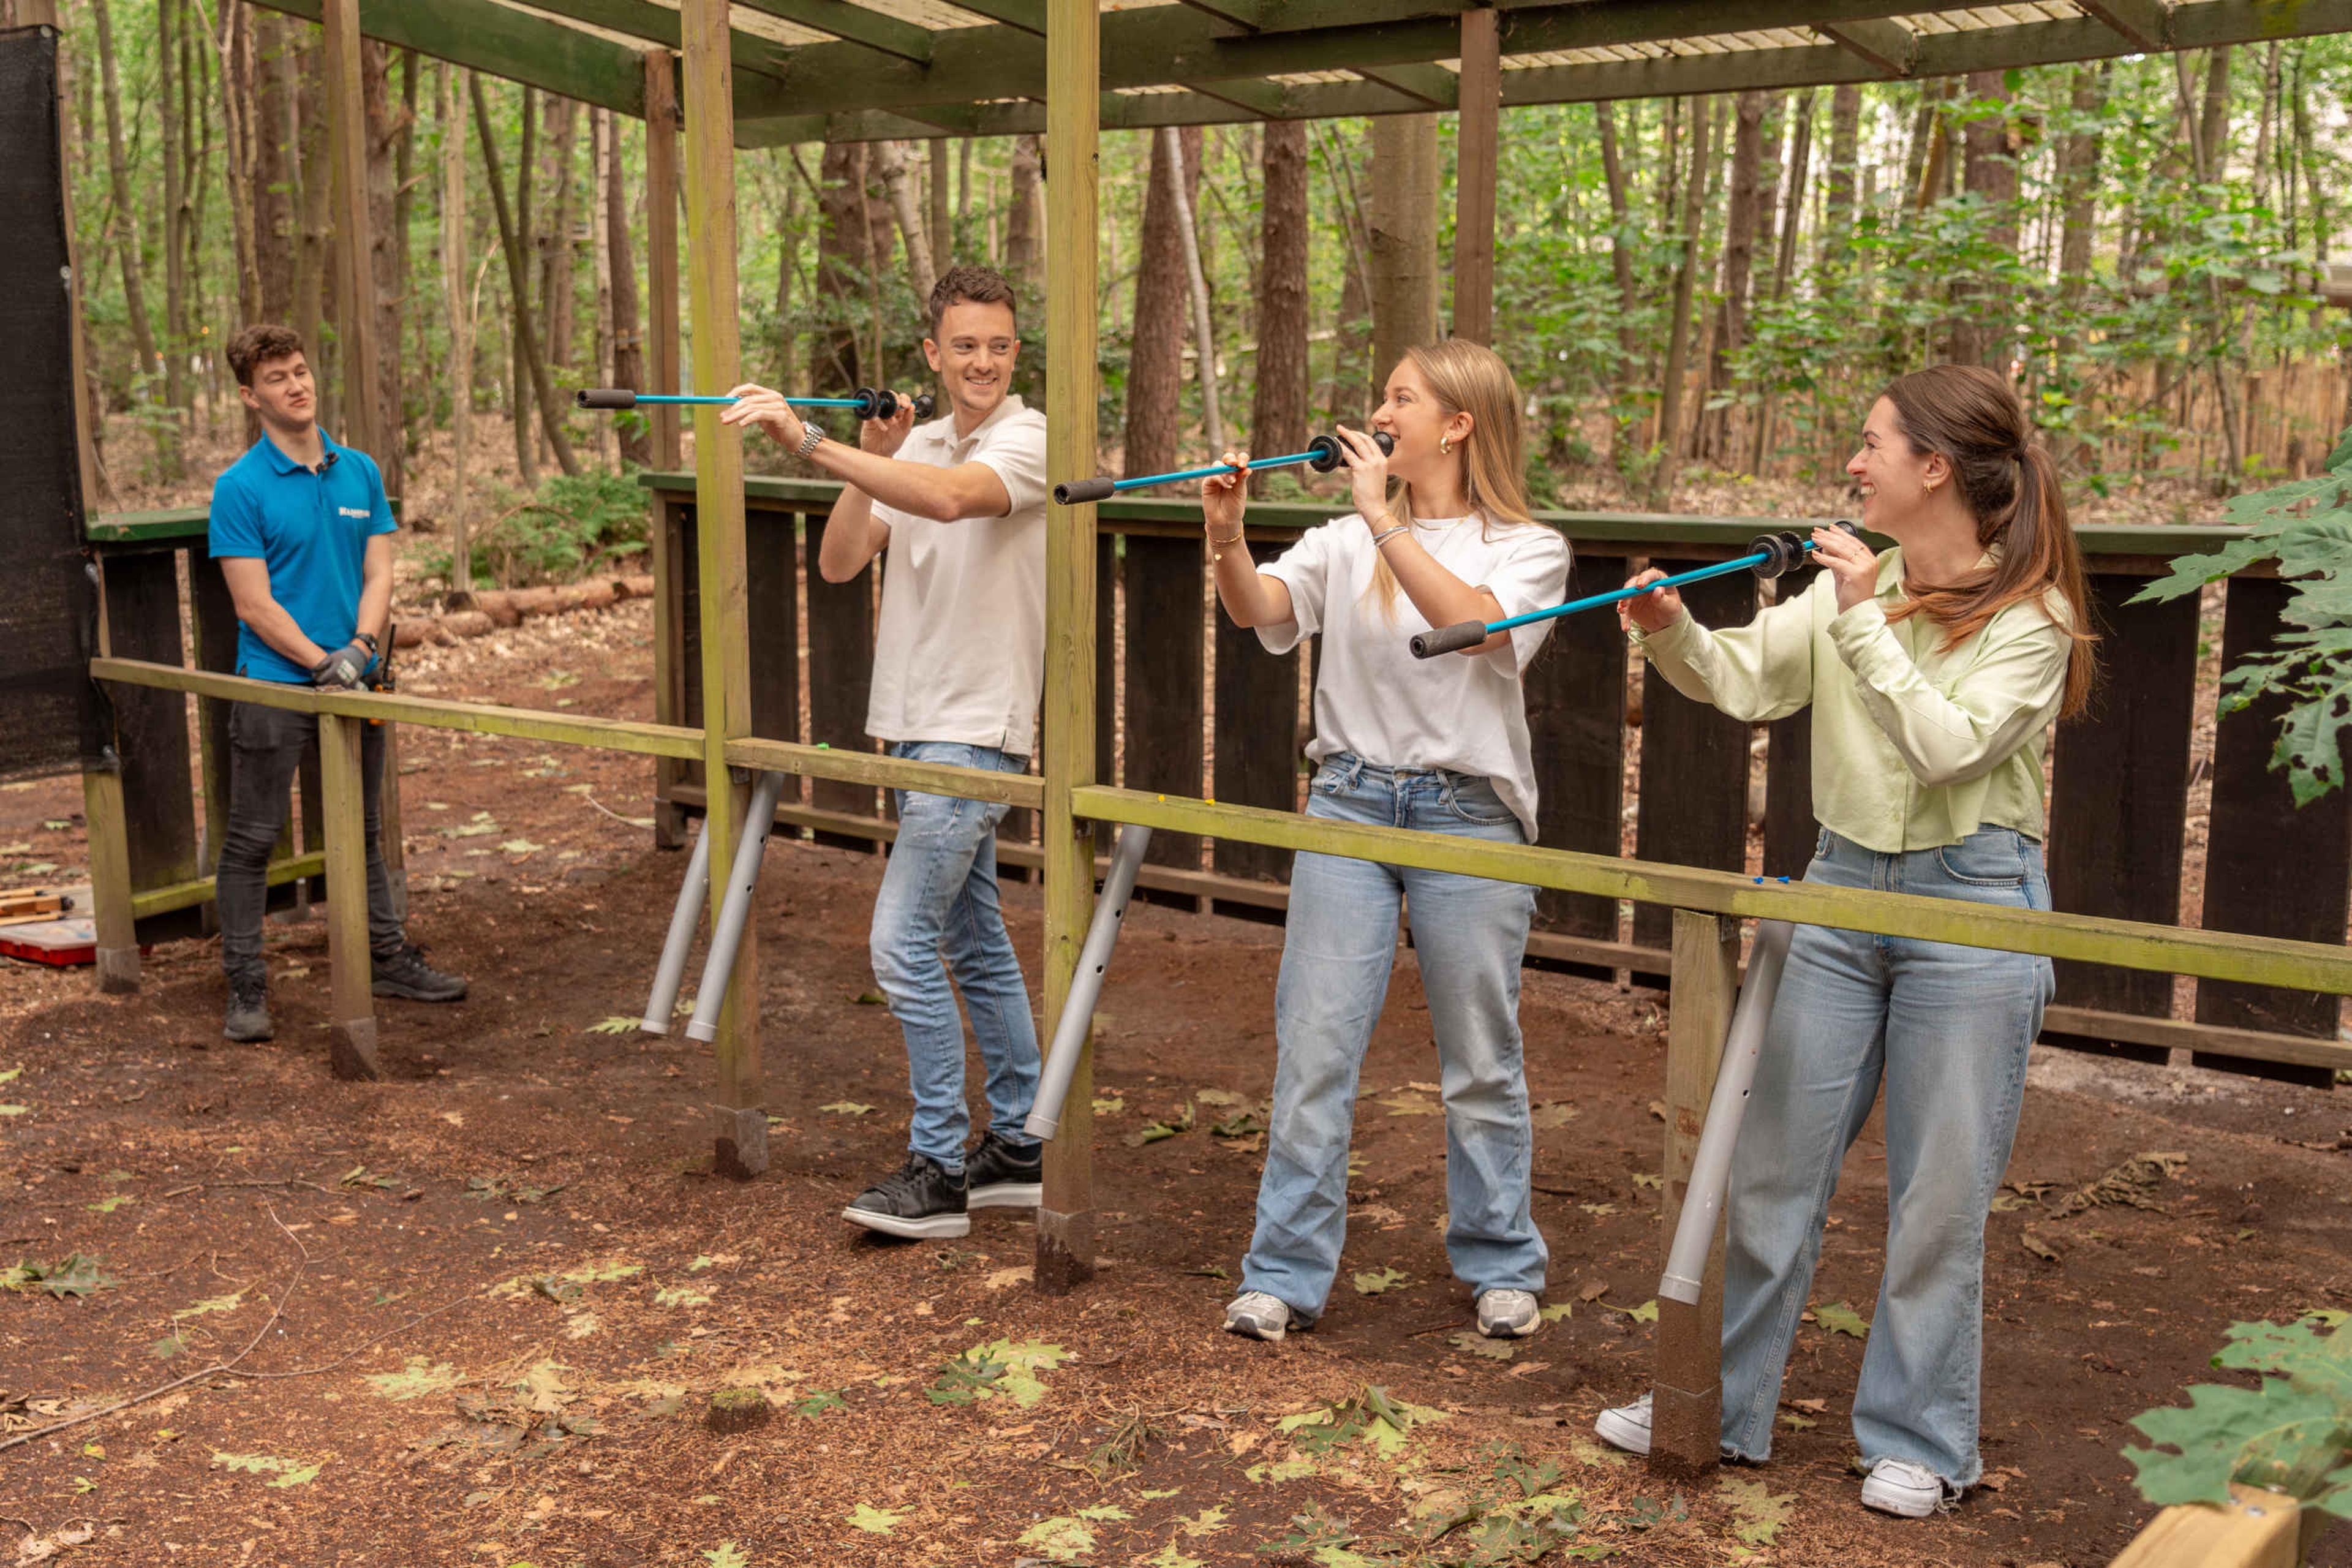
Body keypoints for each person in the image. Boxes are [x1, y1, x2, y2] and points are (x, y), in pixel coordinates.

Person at [1591, 363, 2097, 1519]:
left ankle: (1918, 1438)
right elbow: (1744, 683)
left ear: (1936, 469)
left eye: (1873, 445)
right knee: (1773, 1167)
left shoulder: (2036, 621)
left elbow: (1946, 749)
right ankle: (1716, 1403)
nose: (1854, 463)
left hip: (1975, 908)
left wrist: (1864, 615)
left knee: (1939, 1192)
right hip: (1837, 889)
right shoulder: (1840, 592)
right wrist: (1671, 634)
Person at [1199, 339, 1570, 1344]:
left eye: (1402, 397)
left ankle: (1501, 1260)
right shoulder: (1339, 539)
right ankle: (1281, 1273)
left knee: (1480, 1056)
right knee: (1316, 1047)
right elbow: (1263, 613)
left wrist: (1384, 521)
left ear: (1459, 424)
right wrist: (1228, 540)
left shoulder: (1527, 548)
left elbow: (1478, 631)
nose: (1380, 410)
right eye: (1383, 396)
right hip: (1351, 807)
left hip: (1470, 816)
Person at [722, 266, 1047, 1242]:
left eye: (997, 345)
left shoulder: (1028, 440)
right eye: (965, 346)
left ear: (1014, 353)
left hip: (975, 729)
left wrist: (809, 441)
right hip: (913, 720)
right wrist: (868, 454)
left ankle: (940, 1167)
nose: (982, 361)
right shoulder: (920, 445)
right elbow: (839, 561)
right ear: (933, 354)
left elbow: (951, 503)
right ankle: (1023, 1147)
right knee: (971, 944)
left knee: (899, 946)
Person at [209, 324, 467, 1044]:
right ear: (249, 396)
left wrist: (358, 649)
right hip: (274, 685)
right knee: (253, 837)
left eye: (300, 371)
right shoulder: (239, 487)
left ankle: (386, 957)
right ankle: (246, 984)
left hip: (358, 678)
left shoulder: (359, 470)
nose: (296, 386)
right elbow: (253, 603)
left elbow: (381, 572)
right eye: (276, 379)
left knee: (364, 829)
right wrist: (320, 661)